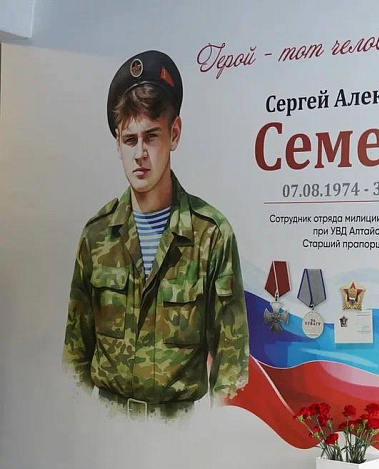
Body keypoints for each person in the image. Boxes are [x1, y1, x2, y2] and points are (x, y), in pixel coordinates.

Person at [63, 50, 249, 418]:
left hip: (179, 426)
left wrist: (215, 436)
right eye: (129, 140)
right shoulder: (97, 236)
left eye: (151, 136)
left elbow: (231, 362)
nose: (140, 154)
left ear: (174, 134)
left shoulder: (211, 236)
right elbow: (75, 354)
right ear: (118, 144)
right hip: (107, 422)